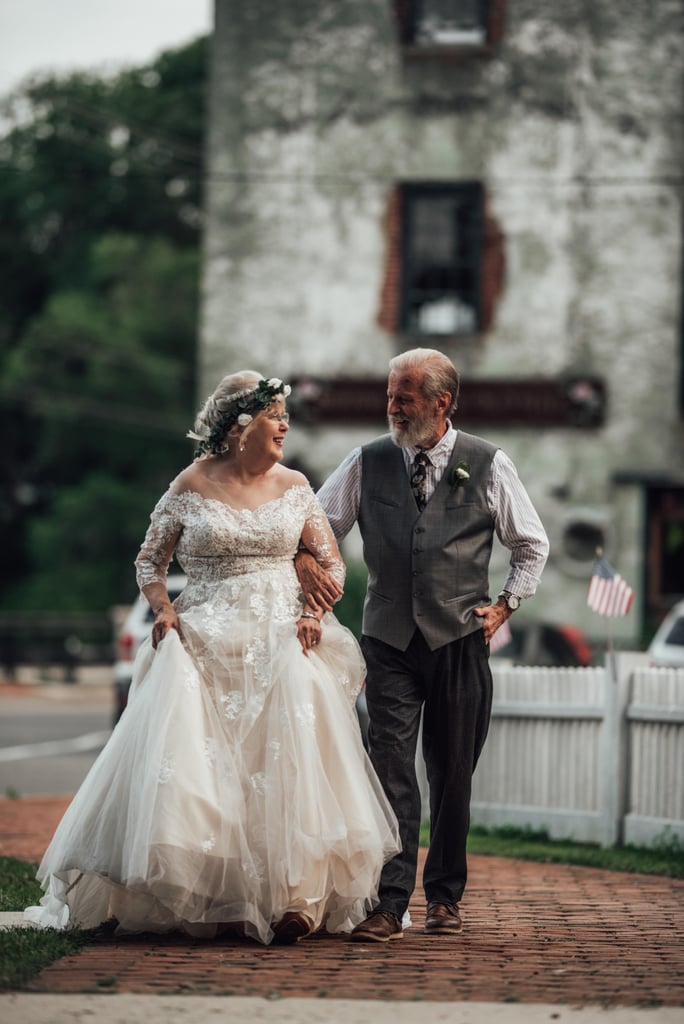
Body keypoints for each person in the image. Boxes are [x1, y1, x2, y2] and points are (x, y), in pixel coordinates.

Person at [25, 371, 400, 945]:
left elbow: (334, 566)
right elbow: (149, 561)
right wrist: (163, 611)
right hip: (204, 638)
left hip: (282, 635)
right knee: (209, 772)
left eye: (284, 415)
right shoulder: (190, 483)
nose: (284, 424)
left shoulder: (297, 484)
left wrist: (312, 613)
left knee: (294, 749)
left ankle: (298, 898)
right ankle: (213, 892)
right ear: (240, 426)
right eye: (274, 414)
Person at [296, 348, 549, 943]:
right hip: (387, 639)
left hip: (460, 639)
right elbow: (316, 522)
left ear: (442, 402)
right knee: (391, 770)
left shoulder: (489, 462)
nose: (392, 405)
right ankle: (389, 902)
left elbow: (531, 544)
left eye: (404, 396)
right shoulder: (366, 461)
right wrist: (307, 557)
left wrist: (506, 605)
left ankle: (445, 898)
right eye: (390, 394)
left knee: (452, 772)